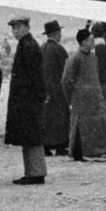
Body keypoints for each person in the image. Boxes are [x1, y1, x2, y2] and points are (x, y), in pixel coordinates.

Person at [2, 15, 48, 185]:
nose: (15, 31)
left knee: (31, 136)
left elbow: (34, 74)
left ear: (27, 27)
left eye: (18, 27)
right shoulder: (27, 44)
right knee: (29, 136)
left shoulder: (28, 46)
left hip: (28, 99)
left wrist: (38, 96)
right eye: (13, 28)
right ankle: (32, 172)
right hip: (28, 99)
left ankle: (35, 173)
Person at [63, 27, 106, 162]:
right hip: (81, 99)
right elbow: (66, 81)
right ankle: (78, 153)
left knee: (100, 123)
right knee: (81, 126)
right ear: (84, 42)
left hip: (95, 97)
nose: (93, 42)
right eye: (91, 40)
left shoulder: (93, 57)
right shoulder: (74, 59)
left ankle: (102, 150)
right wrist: (70, 98)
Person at [40, 21, 70, 156]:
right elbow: (66, 70)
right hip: (58, 89)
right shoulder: (59, 49)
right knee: (60, 117)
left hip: (44, 89)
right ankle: (60, 146)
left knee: (46, 118)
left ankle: (45, 146)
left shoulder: (41, 48)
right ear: (56, 33)